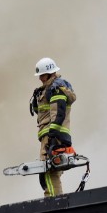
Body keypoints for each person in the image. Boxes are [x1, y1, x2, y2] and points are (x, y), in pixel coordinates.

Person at [30, 57, 77, 197]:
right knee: (49, 171)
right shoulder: (48, 89)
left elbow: (58, 113)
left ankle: (53, 201)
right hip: (51, 135)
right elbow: (44, 113)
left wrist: (52, 136)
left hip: (52, 136)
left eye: (42, 75)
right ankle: (53, 198)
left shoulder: (55, 89)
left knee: (49, 171)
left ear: (50, 73)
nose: (40, 78)